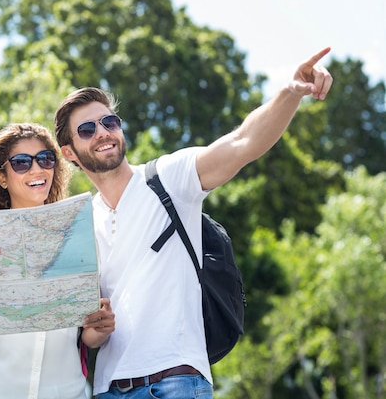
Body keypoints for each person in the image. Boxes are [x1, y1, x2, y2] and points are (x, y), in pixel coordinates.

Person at [53, 48, 334, 398]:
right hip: (109, 388)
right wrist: (94, 326)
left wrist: (290, 92)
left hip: (177, 383)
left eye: (110, 122)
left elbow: (243, 142)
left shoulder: (168, 178)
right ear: (68, 152)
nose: (103, 132)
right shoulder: (80, 223)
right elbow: (84, 328)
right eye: (87, 128)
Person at [0, 123, 115, 399]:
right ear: (2, 178)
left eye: (45, 159)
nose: (37, 169)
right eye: (21, 163)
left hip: (66, 391)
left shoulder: (78, 233)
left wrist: (101, 329)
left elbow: (85, 334)